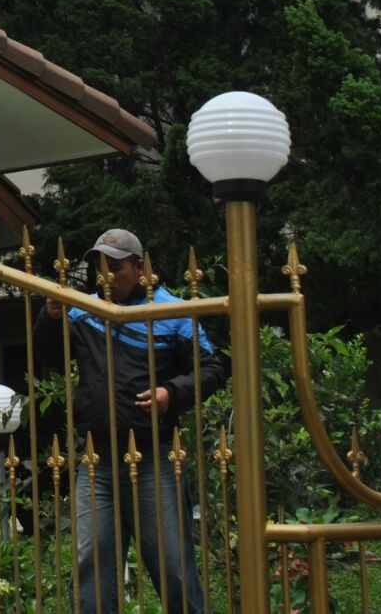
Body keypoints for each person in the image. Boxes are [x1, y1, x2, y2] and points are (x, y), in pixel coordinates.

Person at [35, 228, 226, 614]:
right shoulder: (81, 309)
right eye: (100, 267)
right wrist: (50, 318)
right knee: (90, 569)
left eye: (115, 267)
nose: (105, 275)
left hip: (155, 459)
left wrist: (171, 393)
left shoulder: (171, 312)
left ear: (140, 268)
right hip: (97, 462)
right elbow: (48, 357)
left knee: (173, 568)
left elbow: (212, 368)